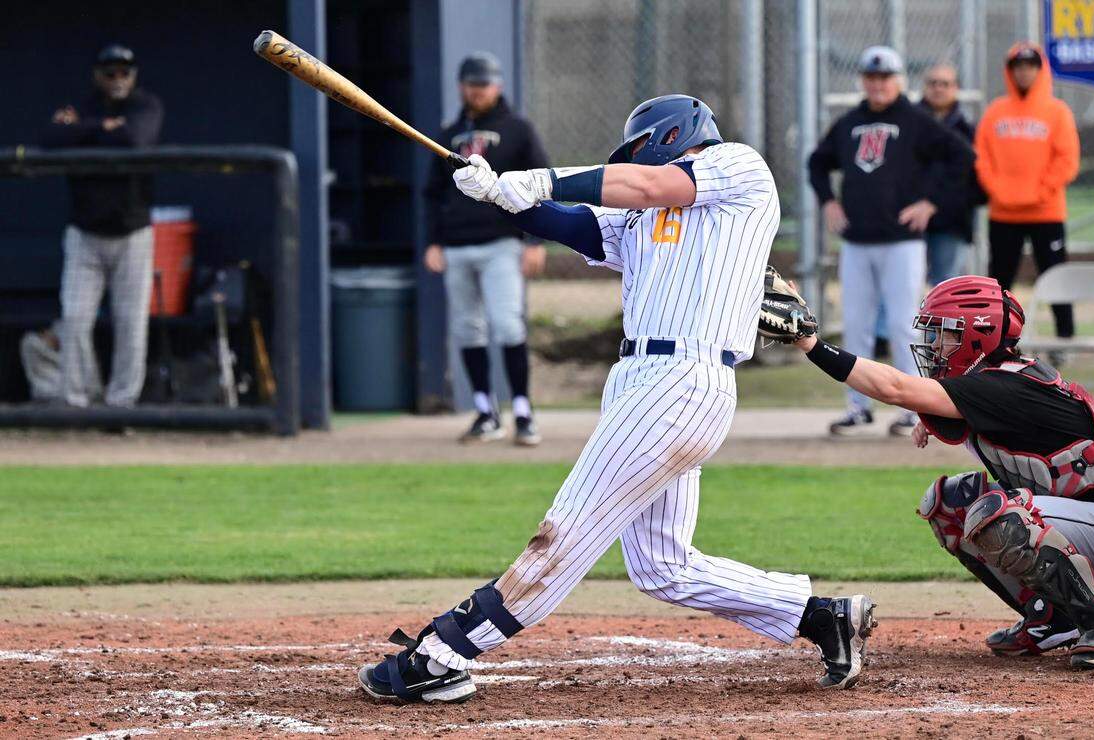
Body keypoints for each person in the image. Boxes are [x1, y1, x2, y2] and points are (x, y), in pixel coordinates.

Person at [356, 94, 876, 704]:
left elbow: (650, 183)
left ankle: (443, 654)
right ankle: (821, 617)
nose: (629, 161)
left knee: (568, 532)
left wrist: (541, 177)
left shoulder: (737, 167)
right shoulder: (643, 218)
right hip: (645, 380)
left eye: (635, 149)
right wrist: (502, 195)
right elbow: (576, 223)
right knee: (662, 566)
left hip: (682, 377)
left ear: (670, 136)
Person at [790, 275, 1094, 668]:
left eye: (946, 334)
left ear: (980, 337)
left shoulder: (1006, 385)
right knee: (948, 504)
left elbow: (895, 389)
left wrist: (812, 345)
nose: (935, 346)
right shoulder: (991, 381)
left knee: (1000, 516)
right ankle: (1052, 618)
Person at [808, 46, 973, 438]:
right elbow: (817, 162)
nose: (878, 84)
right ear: (863, 81)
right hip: (858, 241)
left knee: (903, 325)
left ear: (898, 81)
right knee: (857, 326)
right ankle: (857, 407)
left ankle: (914, 410)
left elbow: (962, 156)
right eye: (872, 77)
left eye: (885, 78)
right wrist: (828, 201)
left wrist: (930, 202)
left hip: (902, 241)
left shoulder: (914, 120)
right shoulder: (849, 122)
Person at [424, 52, 549, 446]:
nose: (478, 92)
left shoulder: (518, 129)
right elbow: (432, 193)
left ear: (497, 87)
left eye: (485, 85)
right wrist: (433, 241)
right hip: (457, 244)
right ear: (462, 87)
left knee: (508, 324)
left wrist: (535, 241)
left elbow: (542, 183)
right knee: (466, 330)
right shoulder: (447, 134)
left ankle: (523, 413)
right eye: (472, 85)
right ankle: (485, 412)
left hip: (501, 243)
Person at [42, 44, 163, 408]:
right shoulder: (84, 107)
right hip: (85, 234)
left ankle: (121, 406)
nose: (117, 79)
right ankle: (78, 403)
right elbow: (49, 139)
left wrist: (82, 131)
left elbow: (134, 139)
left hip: (132, 234)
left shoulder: (146, 105)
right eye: (110, 72)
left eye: (124, 72)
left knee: (131, 326)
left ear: (134, 75)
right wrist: (99, 126)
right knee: (75, 320)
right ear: (97, 74)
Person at [975, 43, 1080, 343]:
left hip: (1046, 210)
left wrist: (1040, 191)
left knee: (1055, 274)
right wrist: (997, 190)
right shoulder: (996, 111)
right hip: (1004, 211)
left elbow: (1067, 160)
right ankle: (994, 339)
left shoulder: (1057, 112)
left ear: (1040, 69)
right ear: (1010, 72)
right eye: (1018, 67)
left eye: (1030, 66)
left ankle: (1065, 338)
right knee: (1000, 280)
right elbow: (981, 157)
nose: (1024, 72)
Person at [917, 63, 978, 285]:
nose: (938, 88)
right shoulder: (909, 124)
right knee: (906, 287)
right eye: (933, 83)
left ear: (956, 88)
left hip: (952, 221)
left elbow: (974, 179)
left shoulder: (967, 131)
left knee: (946, 287)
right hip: (912, 220)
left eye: (945, 84)